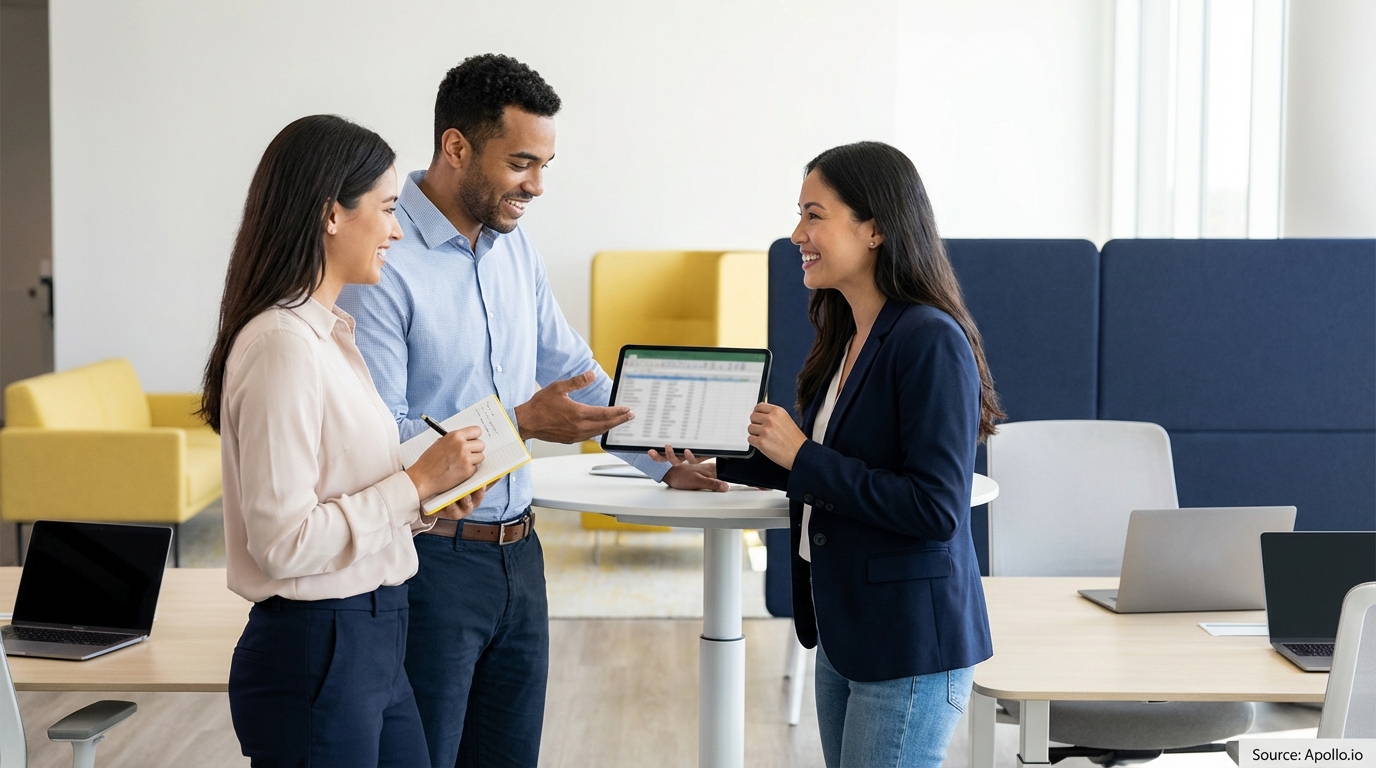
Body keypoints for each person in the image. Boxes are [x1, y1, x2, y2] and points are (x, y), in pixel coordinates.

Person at [336, 54, 718, 767]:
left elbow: (578, 378)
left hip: (521, 559)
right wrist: (519, 424)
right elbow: (381, 444)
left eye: (544, 164)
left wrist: (668, 462)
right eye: (520, 163)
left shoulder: (516, 253)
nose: (537, 186)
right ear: (456, 147)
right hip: (430, 565)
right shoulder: (381, 264)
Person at [659, 141, 1003, 767]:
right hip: (848, 631)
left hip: (908, 642)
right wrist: (714, 465)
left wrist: (799, 454)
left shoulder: (929, 340)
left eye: (813, 215)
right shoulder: (846, 332)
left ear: (874, 229)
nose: (796, 234)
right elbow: (816, 459)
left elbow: (934, 508)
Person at [201, 114, 491, 767]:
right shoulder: (282, 345)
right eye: (387, 209)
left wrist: (426, 504)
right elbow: (283, 543)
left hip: (377, 635)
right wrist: (413, 484)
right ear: (332, 214)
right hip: (320, 649)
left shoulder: (329, 335)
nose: (395, 230)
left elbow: (345, 494)